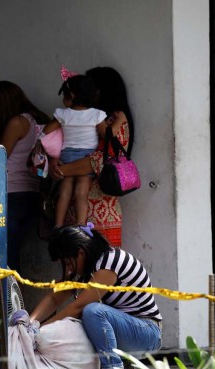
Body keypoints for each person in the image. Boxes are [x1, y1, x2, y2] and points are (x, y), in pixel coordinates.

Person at [29, 224, 162, 369]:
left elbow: (78, 306)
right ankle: (114, 366)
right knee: (82, 320)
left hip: (148, 332)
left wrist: (40, 331)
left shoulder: (109, 263)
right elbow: (54, 297)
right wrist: (30, 323)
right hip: (129, 329)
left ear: (81, 253)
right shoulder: (90, 268)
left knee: (92, 312)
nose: (68, 269)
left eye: (69, 262)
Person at [49, 67, 134, 247]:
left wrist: (60, 169)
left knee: (100, 270)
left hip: (100, 213)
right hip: (75, 210)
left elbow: (97, 161)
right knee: (75, 273)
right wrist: (54, 159)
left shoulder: (118, 119)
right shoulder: (86, 118)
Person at [0, 81, 50, 272]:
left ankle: (8, 300)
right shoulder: (37, 121)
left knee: (5, 256)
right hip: (32, 192)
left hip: (12, 194)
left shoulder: (16, 123)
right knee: (12, 252)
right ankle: (13, 299)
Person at [43, 75, 106, 227]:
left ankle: (58, 225)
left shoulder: (63, 114)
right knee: (81, 193)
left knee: (64, 192)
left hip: (68, 155)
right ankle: (81, 226)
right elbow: (106, 135)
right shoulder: (96, 114)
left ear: (71, 96)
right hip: (86, 157)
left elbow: (46, 131)